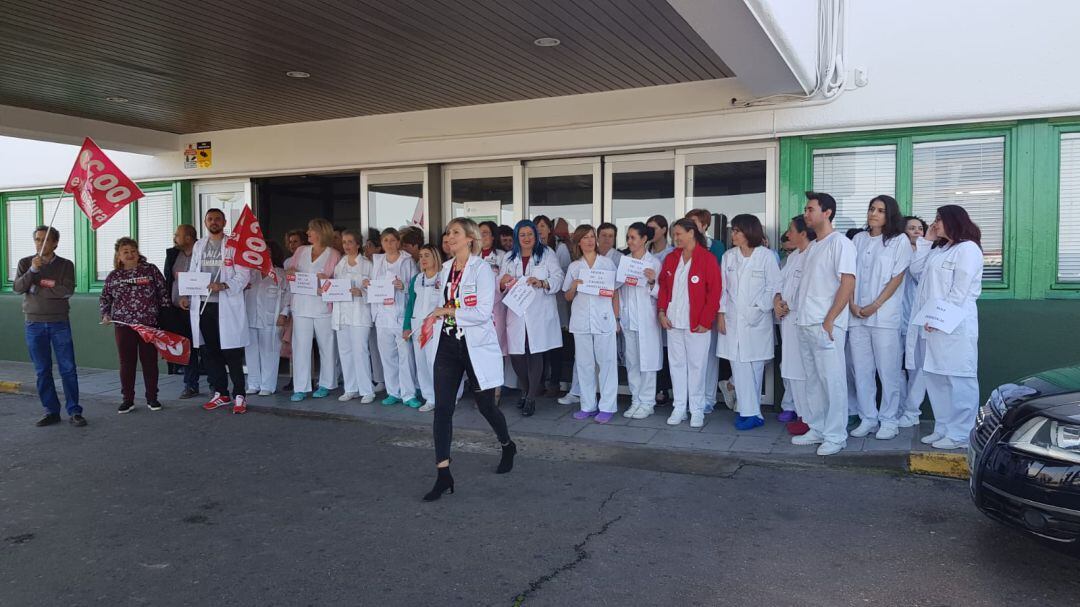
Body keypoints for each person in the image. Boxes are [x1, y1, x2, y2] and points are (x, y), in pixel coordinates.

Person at [421, 217, 516, 501]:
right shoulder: (446, 269)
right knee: (443, 409)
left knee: (486, 405)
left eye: (455, 233)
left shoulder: (483, 270)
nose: (449, 237)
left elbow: (482, 312)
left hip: (475, 345)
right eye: (448, 232)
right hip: (448, 345)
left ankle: (507, 444)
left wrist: (445, 312)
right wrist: (433, 319)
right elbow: (446, 304)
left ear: (470, 239)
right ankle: (443, 473)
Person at [907, 205, 983, 450]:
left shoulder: (968, 249)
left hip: (954, 324)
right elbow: (916, 270)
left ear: (953, 221)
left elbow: (959, 291)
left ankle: (961, 433)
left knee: (959, 378)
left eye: (939, 220)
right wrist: (927, 241)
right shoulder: (940, 249)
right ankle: (943, 428)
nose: (934, 224)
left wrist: (940, 319)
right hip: (932, 324)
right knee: (936, 377)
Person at [792, 192, 857, 456]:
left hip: (825, 325)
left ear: (827, 212)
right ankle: (817, 428)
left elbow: (848, 282)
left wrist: (830, 319)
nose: (806, 214)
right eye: (806, 210)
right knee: (814, 381)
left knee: (832, 381)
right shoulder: (814, 247)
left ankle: (835, 435)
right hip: (805, 322)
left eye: (810, 209)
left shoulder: (840, 243)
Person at [848, 196, 913, 440]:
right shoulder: (858, 239)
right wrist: (853, 304)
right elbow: (850, 275)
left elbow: (896, 279)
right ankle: (868, 417)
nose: (874, 213)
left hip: (884, 316)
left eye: (880, 210)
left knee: (888, 370)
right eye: (871, 208)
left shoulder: (899, 241)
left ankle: (889, 419)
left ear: (890, 215)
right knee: (861, 370)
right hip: (857, 316)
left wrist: (874, 305)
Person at [182, 208, 251, 414]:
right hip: (203, 305)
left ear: (224, 222)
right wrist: (186, 294)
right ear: (205, 222)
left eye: (217, 219)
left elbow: (244, 274)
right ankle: (221, 393)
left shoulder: (234, 245)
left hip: (226, 305)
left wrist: (224, 285)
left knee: (232, 352)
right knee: (211, 353)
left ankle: (239, 395)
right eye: (210, 219)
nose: (214, 222)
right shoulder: (199, 245)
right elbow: (193, 271)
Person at [716, 214, 781, 430]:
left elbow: (774, 287)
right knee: (739, 364)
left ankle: (751, 412)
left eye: (737, 230)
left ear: (749, 232)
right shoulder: (728, 256)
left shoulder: (766, 256)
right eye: (732, 230)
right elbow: (722, 289)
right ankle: (750, 412)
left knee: (754, 366)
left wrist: (758, 308)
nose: (733, 234)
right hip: (734, 320)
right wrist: (721, 314)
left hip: (757, 320)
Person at [656, 219, 722, 428]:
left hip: (697, 324)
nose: (675, 238)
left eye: (678, 234)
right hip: (673, 321)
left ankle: (697, 409)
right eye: (674, 235)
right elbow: (664, 288)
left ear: (691, 233)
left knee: (697, 366)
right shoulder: (671, 258)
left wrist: (705, 320)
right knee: (676, 366)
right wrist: (661, 312)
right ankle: (679, 407)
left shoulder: (707, 259)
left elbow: (715, 292)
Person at [14, 226, 82, 427]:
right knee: (42, 370)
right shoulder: (25, 263)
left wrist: (36, 288)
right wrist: (33, 272)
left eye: (45, 239)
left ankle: (75, 411)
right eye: (37, 239)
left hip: (59, 322)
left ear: (55, 243)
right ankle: (51, 411)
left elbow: (66, 290)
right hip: (33, 323)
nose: (40, 243)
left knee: (68, 368)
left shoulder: (65, 265)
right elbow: (18, 288)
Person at [501, 220, 564, 416]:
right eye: (522, 235)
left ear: (536, 236)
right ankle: (527, 389)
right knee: (518, 355)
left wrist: (543, 282)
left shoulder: (546, 254)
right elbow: (500, 282)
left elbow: (558, 277)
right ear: (517, 237)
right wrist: (502, 282)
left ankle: (530, 398)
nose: (527, 238)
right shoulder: (510, 258)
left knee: (535, 351)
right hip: (517, 313)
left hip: (539, 312)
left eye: (530, 234)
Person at [100, 237, 169, 413]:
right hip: (124, 326)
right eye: (125, 252)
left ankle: (152, 398)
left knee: (150, 362)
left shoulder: (150, 270)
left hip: (148, 325)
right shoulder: (114, 276)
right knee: (127, 363)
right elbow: (105, 298)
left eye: (133, 251)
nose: (130, 255)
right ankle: (127, 400)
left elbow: (163, 293)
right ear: (118, 256)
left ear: (138, 253)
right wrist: (106, 314)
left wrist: (166, 318)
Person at [563, 225, 620, 423]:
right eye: (584, 237)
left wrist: (616, 319)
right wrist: (574, 287)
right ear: (578, 241)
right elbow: (567, 297)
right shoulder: (574, 266)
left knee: (607, 363)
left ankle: (607, 406)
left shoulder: (607, 264)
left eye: (591, 237)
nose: (589, 241)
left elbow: (615, 293)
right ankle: (587, 405)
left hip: (604, 319)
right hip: (581, 321)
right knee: (585, 365)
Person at [284, 218, 341, 401]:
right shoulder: (301, 251)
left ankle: (325, 384)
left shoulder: (333, 254)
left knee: (327, 346)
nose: (307, 233)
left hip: (323, 306)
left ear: (321, 232)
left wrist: (327, 281)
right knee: (301, 347)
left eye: (310, 230)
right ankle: (300, 387)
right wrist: (290, 272)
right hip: (301, 305)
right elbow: (290, 271)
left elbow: (339, 282)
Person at [368, 227, 418, 406]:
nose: (389, 244)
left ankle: (409, 394)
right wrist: (369, 284)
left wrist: (402, 286)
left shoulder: (407, 261)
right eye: (385, 241)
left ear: (398, 242)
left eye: (392, 240)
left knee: (406, 356)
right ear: (381, 243)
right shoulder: (378, 261)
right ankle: (393, 392)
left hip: (401, 314)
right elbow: (373, 286)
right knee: (387, 356)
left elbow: (414, 287)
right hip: (383, 315)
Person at [774, 216, 815, 433]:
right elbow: (778, 285)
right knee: (791, 370)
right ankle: (801, 414)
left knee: (805, 371)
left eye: (791, 230)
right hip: (787, 322)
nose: (788, 234)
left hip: (804, 321)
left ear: (803, 232)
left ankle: (810, 417)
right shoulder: (792, 258)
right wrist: (777, 302)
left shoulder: (814, 254)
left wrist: (791, 305)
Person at [618, 222, 663, 419]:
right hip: (629, 319)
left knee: (648, 362)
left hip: (647, 320)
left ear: (644, 239)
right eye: (628, 237)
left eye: (633, 237)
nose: (629, 241)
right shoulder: (624, 261)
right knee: (633, 361)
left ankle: (648, 402)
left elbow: (662, 294)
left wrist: (653, 281)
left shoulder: (654, 263)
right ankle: (636, 400)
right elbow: (618, 291)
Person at [685, 208, 726, 414]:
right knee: (688, 357)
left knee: (708, 357)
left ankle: (707, 398)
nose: (690, 226)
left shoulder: (715, 247)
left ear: (704, 225)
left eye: (694, 222)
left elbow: (717, 280)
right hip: (687, 310)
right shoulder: (683, 248)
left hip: (708, 308)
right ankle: (690, 397)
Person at [332, 229, 377, 404]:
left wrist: (363, 292)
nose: (347, 246)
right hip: (342, 314)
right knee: (345, 352)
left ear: (358, 244)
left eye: (350, 242)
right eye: (344, 242)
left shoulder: (367, 265)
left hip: (360, 313)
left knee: (360, 352)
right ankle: (351, 388)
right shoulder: (340, 265)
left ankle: (367, 390)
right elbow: (334, 286)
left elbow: (376, 290)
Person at [244, 241, 287, 396]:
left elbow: (288, 295)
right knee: (251, 351)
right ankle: (253, 383)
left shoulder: (280, 274)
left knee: (270, 350)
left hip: (271, 318)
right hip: (250, 316)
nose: (264, 254)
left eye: (267, 251)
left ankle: (268, 385)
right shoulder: (249, 273)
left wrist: (284, 313)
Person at [403, 244, 443, 410]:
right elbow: (410, 304)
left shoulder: (443, 277)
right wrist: (406, 327)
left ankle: (445, 396)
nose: (423, 259)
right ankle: (430, 398)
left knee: (436, 363)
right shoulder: (417, 279)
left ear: (435, 257)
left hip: (437, 326)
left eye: (427, 255)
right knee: (422, 364)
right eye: (420, 256)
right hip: (418, 326)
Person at [163, 224, 201, 398]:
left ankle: (217, 385)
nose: (174, 237)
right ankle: (190, 385)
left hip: (200, 308)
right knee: (186, 346)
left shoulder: (202, 252)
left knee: (205, 347)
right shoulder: (172, 254)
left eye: (177, 234)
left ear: (188, 238)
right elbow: (168, 280)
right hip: (178, 308)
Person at [898, 215, 929, 427]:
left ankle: (911, 411)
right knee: (895, 367)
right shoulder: (896, 251)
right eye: (912, 228)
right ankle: (899, 409)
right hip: (896, 318)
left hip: (918, 319)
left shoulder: (929, 255)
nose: (917, 231)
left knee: (918, 368)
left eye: (920, 228)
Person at [646, 214, 674, 405]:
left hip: (666, 306)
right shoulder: (643, 252)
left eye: (653, 228)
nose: (650, 233)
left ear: (664, 230)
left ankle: (664, 388)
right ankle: (653, 388)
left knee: (666, 349)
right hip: (647, 308)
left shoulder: (671, 254)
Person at [279, 229, 308, 393]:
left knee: (305, 346)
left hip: (306, 306)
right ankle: (294, 377)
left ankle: (307, 376)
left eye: (295, 241)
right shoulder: (287, 262)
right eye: (290, 242)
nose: (292, 245)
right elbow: (287, 288)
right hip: (291, 306)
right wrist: (285, 309)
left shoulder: (308, 259)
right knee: (293, 345)